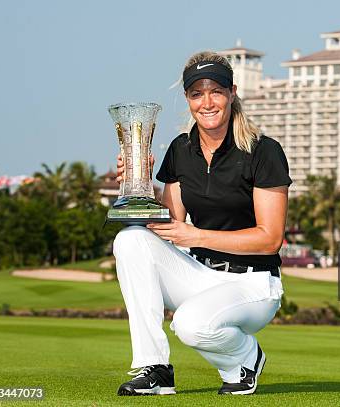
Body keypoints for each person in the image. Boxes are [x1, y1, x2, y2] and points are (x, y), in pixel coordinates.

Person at [112, 51, 292, 396]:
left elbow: (269, 239)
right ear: (187, 99)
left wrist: (197, 235)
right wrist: (139, 181)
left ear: (232, 93)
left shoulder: (263, 151)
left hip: (254, 286)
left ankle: (245, 357)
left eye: (216, 91)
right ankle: (156, 368)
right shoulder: (181, 149)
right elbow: (168, 226)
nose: (207, 102)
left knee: (191, 325)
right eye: (197, 93)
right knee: (130, 240)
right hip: (200, 277)